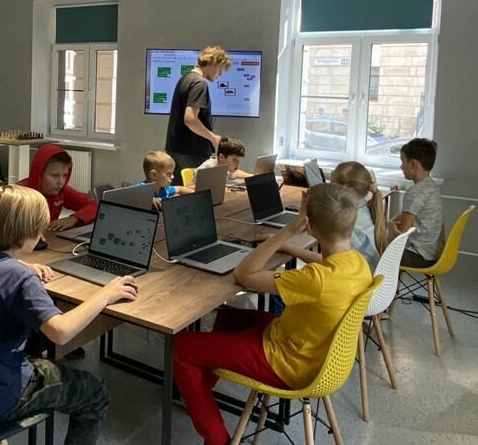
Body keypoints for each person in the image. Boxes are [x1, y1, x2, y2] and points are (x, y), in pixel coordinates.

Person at [0, 185, 138, 444]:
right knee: (95, 392)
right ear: (23, 234)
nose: (42, 236)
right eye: (38, 230)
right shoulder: (19, 278)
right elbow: (61, 332)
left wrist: (23, 264)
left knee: (31, 333)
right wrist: (106, 294)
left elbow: (3, 268)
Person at [173, 183, 372, 445]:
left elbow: (243, 274)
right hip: (310, 350)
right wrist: (290, 248)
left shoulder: (315, 280)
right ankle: (198, 390)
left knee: (180, 347)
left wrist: (287, 231)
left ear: (309, 225)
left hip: (287, 363)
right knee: (227, 317)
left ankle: (217, 439)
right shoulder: (357, 263)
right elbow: (325, 263)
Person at [266, 161, 388, 270]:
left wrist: (285, 246)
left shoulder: (348, 222)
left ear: (345, 189)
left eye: (331, 184)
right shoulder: (368, 209)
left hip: (354, 284)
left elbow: (328, 263)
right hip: (369, 279)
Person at [165, 45, 231, 185]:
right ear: (213, 63)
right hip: (191, 151)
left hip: (177, 149)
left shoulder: (185, 79)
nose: (219, 75)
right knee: (196, 192)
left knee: (181, 191)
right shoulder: (199, 84)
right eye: (220, 70)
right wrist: (213, 138)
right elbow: (190, 119)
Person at [18, 144, 97, 236]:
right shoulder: (18, 194)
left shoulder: (62, 191)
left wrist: (72, 219)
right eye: (54, 175)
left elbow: (94, 206)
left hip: (47, 239)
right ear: (39, 173)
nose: (61, 182)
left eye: (65, 175)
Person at [389, 138, 444, 267]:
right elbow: (406, 214)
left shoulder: (415, 192)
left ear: (413, 164)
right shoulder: (431, 186)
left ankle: (382, 281)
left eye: (402, 161)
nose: (401, 166)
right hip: (433, 252)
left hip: (419, 255)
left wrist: (389, 227)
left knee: (373, 249)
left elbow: (401, 233)